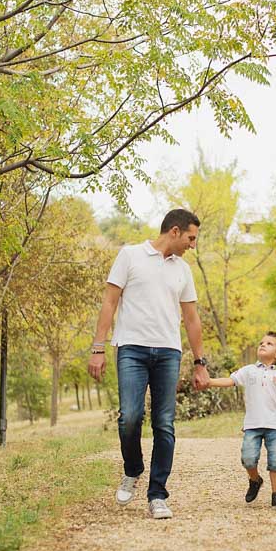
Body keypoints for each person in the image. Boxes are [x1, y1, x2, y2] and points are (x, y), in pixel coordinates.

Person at [88, 209, 210, 520]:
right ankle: (133, 469)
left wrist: (199, 362)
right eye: (191, 238)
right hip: (131, 348)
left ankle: (157, 494)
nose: (193, 245)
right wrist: (98, 347)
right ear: (174, 231)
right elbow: (109, 301)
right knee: (129, 416)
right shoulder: (130, 255)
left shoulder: (183, 270)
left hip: (168, 352)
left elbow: (192, 318)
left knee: (164, 423)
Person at [203, 332, 276, 511]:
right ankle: (255, 479)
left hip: (275, 425)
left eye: (269, 343)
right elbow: (230, 380)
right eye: (261, 342)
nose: (263, 345)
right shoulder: (248, 370)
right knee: (248, 458)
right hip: (252, 425)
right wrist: (209, 382)